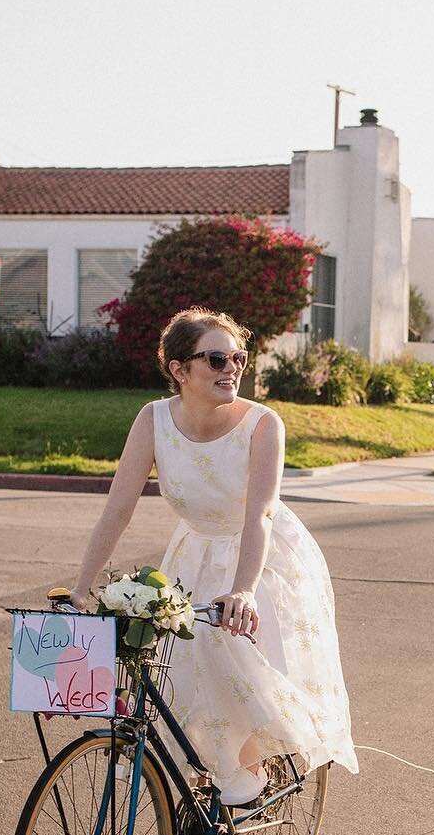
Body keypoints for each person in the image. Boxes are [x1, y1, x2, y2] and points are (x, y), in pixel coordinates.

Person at [71, 307, 357, 804]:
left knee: (229, 654)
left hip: (260, 555)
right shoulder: (153, 420)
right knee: (174, 662)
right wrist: (81, 586)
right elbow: (118, 509)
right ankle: (197, 769)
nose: (232, 369)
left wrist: (244, 589)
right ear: (179, 370)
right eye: (217, 358)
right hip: (194, 552)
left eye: (239, 357)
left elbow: (261, 513)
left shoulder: (263, 424)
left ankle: (247, 773)